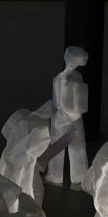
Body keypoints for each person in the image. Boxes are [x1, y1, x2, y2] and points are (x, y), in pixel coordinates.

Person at [45, 47, 90, 186]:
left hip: (74, 116)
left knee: (78, 147)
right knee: (58, 147)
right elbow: (58, 103)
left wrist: (75, 113)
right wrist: (70, 114)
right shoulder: (60, 79)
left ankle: (79, 175)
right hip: (63, 118)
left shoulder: (76, 76)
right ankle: (55, 174)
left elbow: (80, 98)